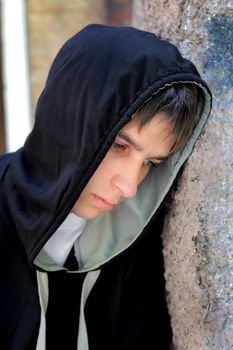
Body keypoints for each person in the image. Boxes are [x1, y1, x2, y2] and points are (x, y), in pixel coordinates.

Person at [0, 24, 212, 350]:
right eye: (118, 146)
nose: (128, 187)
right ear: (69, 118)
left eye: (150, 163)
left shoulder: (134, 235)